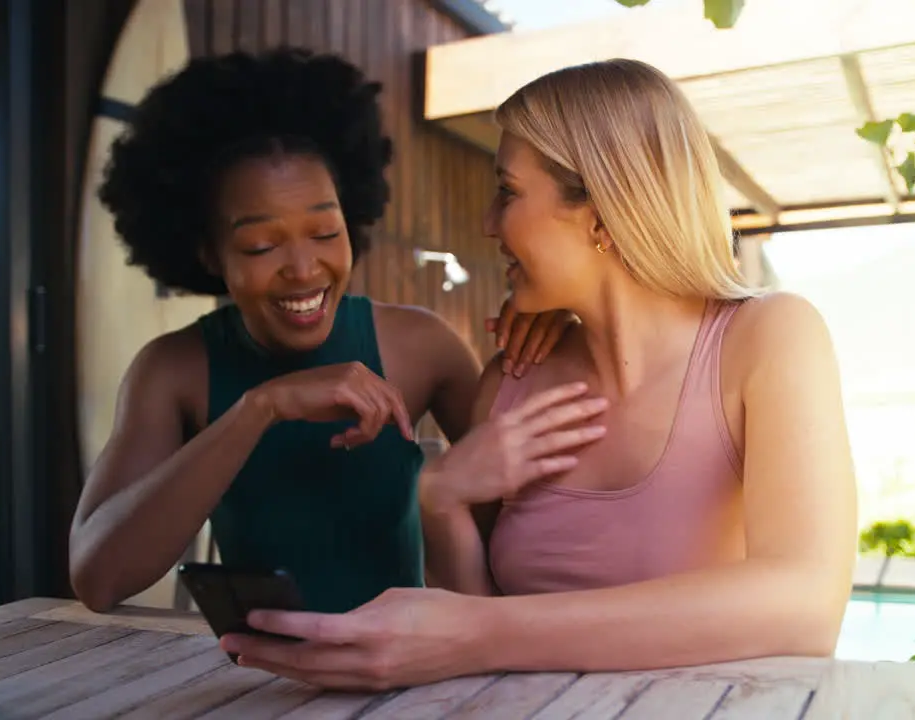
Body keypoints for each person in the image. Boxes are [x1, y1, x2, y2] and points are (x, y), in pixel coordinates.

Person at [218, 58, 859, 689]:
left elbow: (804, 604)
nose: (489, 222)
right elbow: (473, 665)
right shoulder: (511, 383)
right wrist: (439, 503)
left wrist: (480, 631)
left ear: (602, 210)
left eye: (508, 191)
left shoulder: (768, 337)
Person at [68, 48, 571, 614]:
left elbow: (530, 522)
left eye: (326, 232)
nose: (304, 269)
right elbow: (98, 577)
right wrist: (260, 408)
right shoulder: (174, 371)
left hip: (404, 677)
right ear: (208, 253)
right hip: (261, 680)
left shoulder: (419, 348)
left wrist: (563, 325)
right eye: (261, 245)